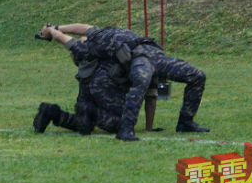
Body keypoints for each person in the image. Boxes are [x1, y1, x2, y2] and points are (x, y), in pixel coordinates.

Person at [37, 23, 209, 141]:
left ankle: (184, 122)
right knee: (192, 75)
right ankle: (124, 128)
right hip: (149, 55)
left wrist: (54, 30)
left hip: (148, 55)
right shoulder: (97, 40)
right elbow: (79, 32)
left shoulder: (95, 42)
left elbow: (73, 38)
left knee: (196, 75)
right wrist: (55, 30)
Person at [33, 29, 162, 135]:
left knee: (85, 123)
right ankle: (91, 111)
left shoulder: (116, 39)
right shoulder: (152, 63)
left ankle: (53, 113)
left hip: (87, 78)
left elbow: (83, 34)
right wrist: (149, 128)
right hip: (106, 83)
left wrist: (56, 29)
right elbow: (150, 99)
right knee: (119, 124)